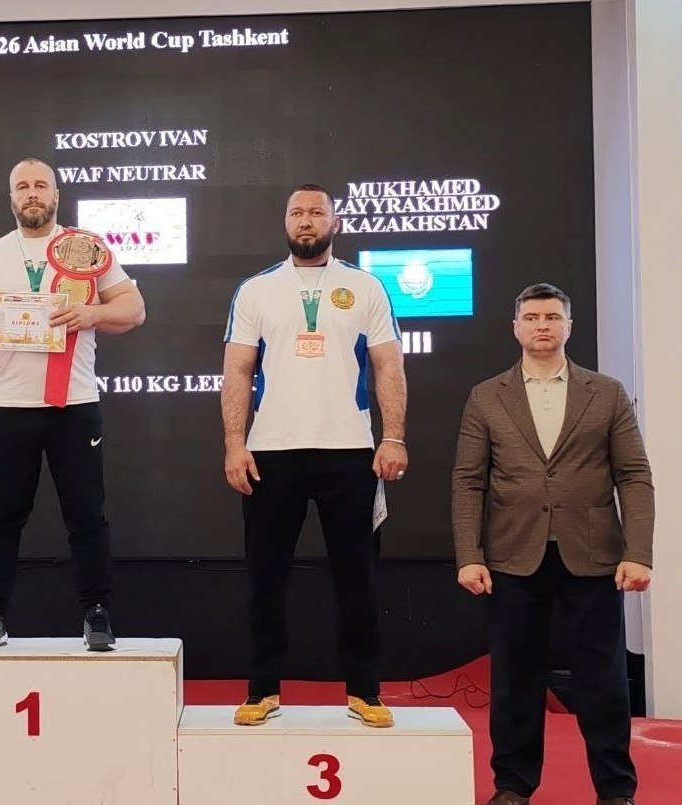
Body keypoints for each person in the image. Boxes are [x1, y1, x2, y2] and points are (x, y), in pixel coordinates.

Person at [452, 283, 652, 805]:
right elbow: (469, 481)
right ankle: (513, 786)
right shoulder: (486, 396)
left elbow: (633, 474)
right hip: (512, 557)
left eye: (552, 317)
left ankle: (616, 790)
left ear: (569, 326)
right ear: (516, 328)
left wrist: (638, 552)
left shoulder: (606, 392)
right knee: (515, 680)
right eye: (533, 317)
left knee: (603, 681)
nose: (542, 325)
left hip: (595, 556)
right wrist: (470, 555)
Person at [221, 183, 408, 727]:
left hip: (349, 451)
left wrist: (393, 436)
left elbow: (388, 365)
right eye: (297, 213)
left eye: (316, 213)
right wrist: (234, 443)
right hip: (270, 452)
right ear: (286, 222)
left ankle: (365, 690)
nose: (306, 221)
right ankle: (262, 689)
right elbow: (237, 371)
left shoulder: (365, 286)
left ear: (334, 223)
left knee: (357, 578)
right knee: (265, 579)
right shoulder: (256, 290)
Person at [0, 158, 145, 653]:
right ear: (11, 197)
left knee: (87, 515)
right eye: (22, 186)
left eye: (41, 185)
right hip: (9, 405)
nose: (32, 193)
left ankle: (97, 614)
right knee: (1, 516)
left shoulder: (87, 250)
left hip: (74, 405)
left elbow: (134, 309)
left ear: (57, 195)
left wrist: (91, 312)